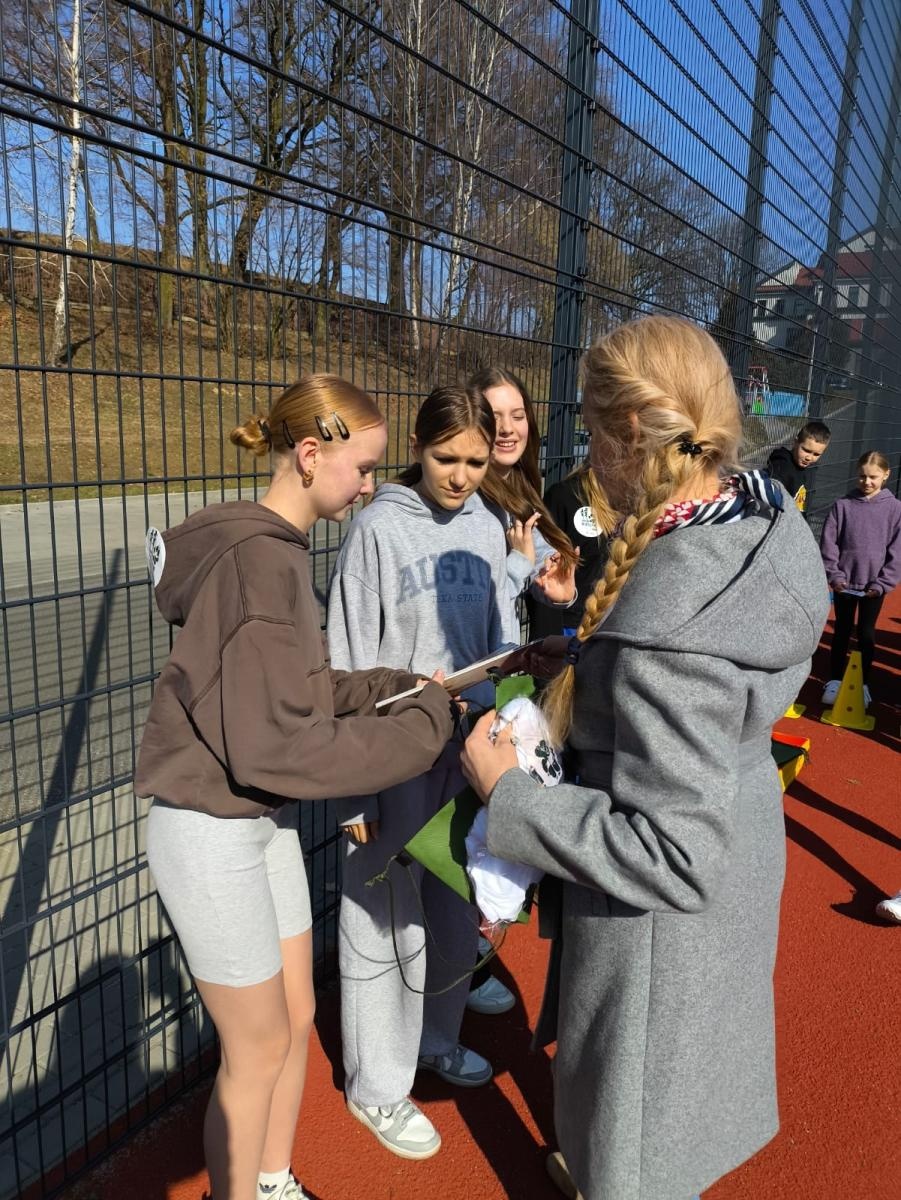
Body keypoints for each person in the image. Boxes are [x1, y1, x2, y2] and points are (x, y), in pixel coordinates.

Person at [459, 316, 829, 1200]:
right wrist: (594, 675)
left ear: (630, 437)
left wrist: (507, 794)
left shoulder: (669, 633)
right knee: (653, 1112)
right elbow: (721, 700)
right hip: (738, 847)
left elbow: (673, 853)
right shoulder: (759, 518)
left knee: (637, 1135)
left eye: (589, 430)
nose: (584, 451)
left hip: (660, 928)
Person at [134, 375, 459, 1200]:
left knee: (295, 1022)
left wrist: (397, 686)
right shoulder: (256, 563)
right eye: (363, 467)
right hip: (208, 827)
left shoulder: (277, 550)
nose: (372, 486)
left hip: (253, 821)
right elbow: (283, 747)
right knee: (255, 1050)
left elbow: (299, 689)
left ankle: (270, 1183)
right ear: (311, 456)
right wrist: (423, 732)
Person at [326, 383, 518, 1161]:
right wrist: (349, 789)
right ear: (416, 443)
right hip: (390, 758)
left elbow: (502, 642)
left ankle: (436, 1040)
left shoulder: (487, 523)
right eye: (446, 457)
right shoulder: (376, 530)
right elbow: (342, 662)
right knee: (382, 921)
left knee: (450, 907)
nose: (462, 474)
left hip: (464, 753)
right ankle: (376, 1085)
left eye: (476, 459)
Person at [469, 366, 579, 629]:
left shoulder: (519, 489)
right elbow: (470, 600)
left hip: (493, 660)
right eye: (494, 417)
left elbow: (532, 554)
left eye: (518, 416)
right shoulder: (466, 500)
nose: (507, 428)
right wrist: (520, 564)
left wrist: (551, 575)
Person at [819, 450, 901, 708]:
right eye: (862, 476)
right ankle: (834, 680)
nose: (867, 482)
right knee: (842, 630)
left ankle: (862, 684)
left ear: (886, 475)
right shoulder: (842, 505)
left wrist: (882, 583)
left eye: (873, 477)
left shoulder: (895, 509)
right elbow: (829, 543)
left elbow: (897, 552)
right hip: (845, 584)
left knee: (866, 633)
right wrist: (835, 575)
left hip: (873, 587)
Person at [526, 458, 616, 640]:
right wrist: (545, 643)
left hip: (617, 626)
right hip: (573, 629)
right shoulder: (565, 496)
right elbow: (545, 571)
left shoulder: (644, 499)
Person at [766, 419, 831, 512]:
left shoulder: (809, 470)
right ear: (796, 442)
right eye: (806, 450)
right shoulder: (782, 466)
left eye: (816, 454)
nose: (809, 457)